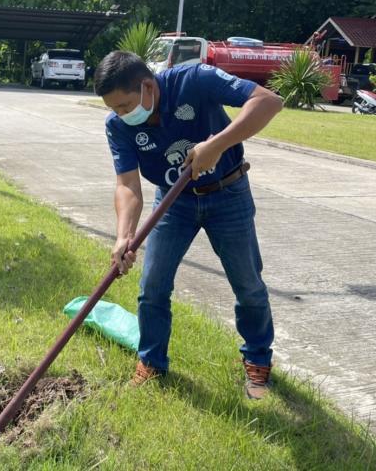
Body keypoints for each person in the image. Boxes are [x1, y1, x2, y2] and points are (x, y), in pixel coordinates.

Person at [94, 50, 283, 399]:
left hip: (228, 193)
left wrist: (217, 145)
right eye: (114, 109)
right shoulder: (118, 126)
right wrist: (124, 236)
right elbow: (128, 185)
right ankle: (152, 362)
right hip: (173, 202)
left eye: (124, 106)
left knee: (248, 284)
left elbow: (268, 101)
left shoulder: (194, 80)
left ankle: (257, 359)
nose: (121, 115)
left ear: (148, 86)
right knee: (152, 285)